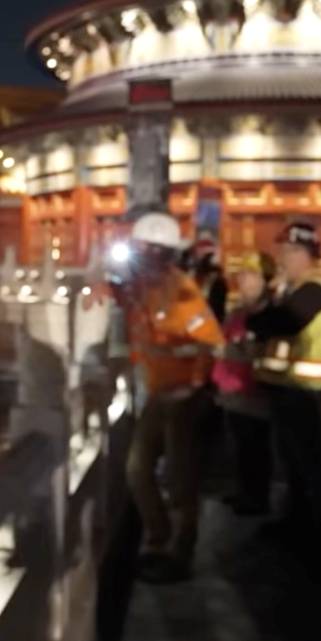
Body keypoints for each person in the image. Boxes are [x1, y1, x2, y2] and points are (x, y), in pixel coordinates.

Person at [117, 211, 225, 585]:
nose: (141, 257)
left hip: (183, 397)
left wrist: (192, 382)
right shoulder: (142, 289)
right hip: (157, 393)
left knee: (181, 481)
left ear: (163, 254)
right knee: (137, 470)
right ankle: (158, 537)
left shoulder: (181, 291)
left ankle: (180, 554)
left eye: (147, 250)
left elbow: (211, 342)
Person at [245, 222, 321, 569]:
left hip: (305, 392)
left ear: (308, 255)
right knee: (293, 464)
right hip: (287, 388)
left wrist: (257, 314)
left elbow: (282, 322)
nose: (283, 258)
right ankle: (296, 525)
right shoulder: (291, 288)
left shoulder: (312, 289)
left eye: (291, 252)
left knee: (311, 467)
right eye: (283, 251)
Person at [214, 252, 277, 516]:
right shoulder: (238, 312)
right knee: (239, 447)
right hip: (232, 389)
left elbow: (257, 350)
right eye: (242, 275)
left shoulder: (268, 314)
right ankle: (244, 491)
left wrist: (228, 350)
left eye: (251, 275)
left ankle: (257, 498)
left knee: (255, 449)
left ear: (265, 280)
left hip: (254, 392)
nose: (243, 281)